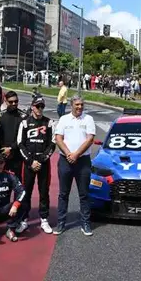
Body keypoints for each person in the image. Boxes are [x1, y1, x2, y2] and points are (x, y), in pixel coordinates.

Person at [53, 96, 95, 236]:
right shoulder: (64, 119)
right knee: (63, 194)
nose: (80, 107)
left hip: (83, 161)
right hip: (65, 160)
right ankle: (61, 223)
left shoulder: (88, 119)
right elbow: (58, 138)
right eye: (77, 104)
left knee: (84, 195)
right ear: (71, 105)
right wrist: (69, 154)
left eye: (82, 104)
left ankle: (85, 223)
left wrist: (76, 154)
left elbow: (90, 139)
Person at [16, 95, 55, 234]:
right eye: (37, 106)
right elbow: (20, 144)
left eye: (42, 106)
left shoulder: (49, 122)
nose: (39, 109)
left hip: (43, 163)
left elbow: (52, 144)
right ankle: (24, 219)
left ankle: (44, 219)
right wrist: (31, 161)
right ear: (32, 107)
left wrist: (42, 159)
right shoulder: (25, 123)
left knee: (44, 191)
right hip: (28, 163)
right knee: (26, 191)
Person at [0, 91, 26, 178]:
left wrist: (11, 148)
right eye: (11, 102)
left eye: (16, 101)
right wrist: (4, 149)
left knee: (17, 181)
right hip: (2, 153)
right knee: (1, 182)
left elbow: (24, 137)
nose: (14, 103)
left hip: (17, 154)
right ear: (5, 101)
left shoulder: (24, 117)